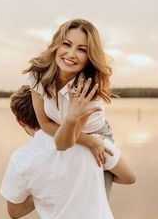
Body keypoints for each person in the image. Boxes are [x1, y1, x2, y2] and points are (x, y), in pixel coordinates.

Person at [0, 82, 136, 219]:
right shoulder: (92, 142)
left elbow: (13, 211)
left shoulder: (22, 160)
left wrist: (44, 189)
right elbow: (129, 177)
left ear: (20, 121)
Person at [23, 19, 116, 198]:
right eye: (67, 44)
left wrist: (93, 141)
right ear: (57, 45)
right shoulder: (37, 75)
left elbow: (67, 141)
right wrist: (88, 141)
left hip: (98, 136)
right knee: (60, 196)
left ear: (90, 57)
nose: (71, 54)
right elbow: (45, 123)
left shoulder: (89, 89)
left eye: (82, 49)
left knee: (95, 204)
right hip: (68, 136)